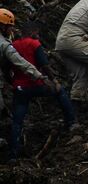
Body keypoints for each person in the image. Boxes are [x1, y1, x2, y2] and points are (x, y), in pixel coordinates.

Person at [10, 20, 76, 160]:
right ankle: (71, 123)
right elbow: (45, 65)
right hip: (36, 84)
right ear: (32, 32)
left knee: (17, 120)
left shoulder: (13, 46)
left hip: (20, 88)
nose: (38, 36)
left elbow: (8, 66)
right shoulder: (35, 44)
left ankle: (13, 154)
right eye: (37, 33)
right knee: (60, 92)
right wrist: (54, 81)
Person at [0, 10, 58, 151]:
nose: (12, 29)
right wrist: (39, 76)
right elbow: (19, 61)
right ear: (2, 26)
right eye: (10, 26)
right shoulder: (4, 44)